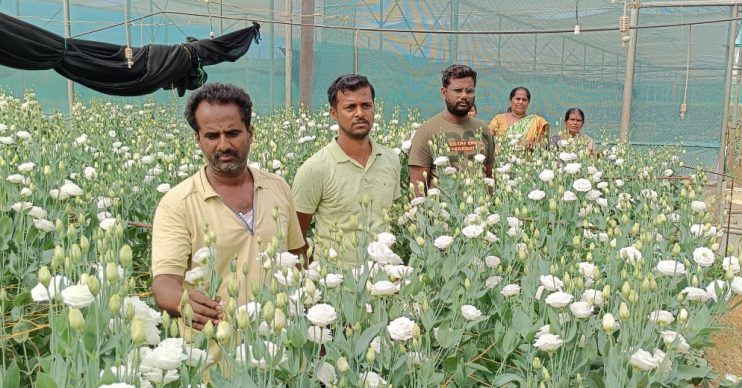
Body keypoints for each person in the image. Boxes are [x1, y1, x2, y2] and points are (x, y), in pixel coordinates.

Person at [151, 82, 306, 330]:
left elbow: (297, 257)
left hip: (279, 348)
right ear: (198, 140)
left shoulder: (278, 188)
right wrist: (183, 302)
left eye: (233, 133)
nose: (223, 145)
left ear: (250, 133)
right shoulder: (178, 203)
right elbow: (164, 282)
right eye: (212, 136)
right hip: (213, 353)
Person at [292, 74, 401, 265]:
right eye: (350, 107)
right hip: (337, 286)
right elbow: (295, 237)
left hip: (383, 280)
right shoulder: (315, 169)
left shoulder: (391, 159)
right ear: (334, 113)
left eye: (366, 105)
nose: (360, 113)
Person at [408, 64, 495, 196]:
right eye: (458, 90)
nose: (464, 96)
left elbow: (489, 178)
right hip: (442, 215)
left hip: (478, 212)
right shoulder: (426, 132)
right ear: (444, 92)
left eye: (469, 91)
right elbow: (417, 190)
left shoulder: (483, 130)